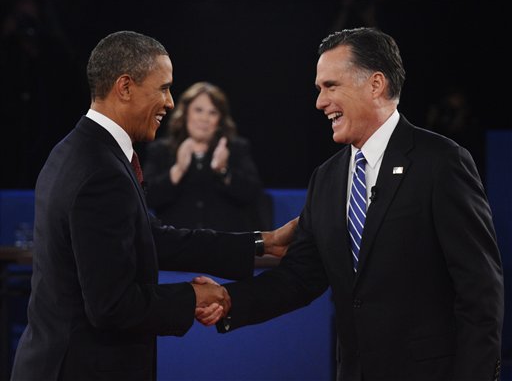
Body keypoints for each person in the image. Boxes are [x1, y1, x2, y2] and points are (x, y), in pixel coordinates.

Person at [208, 27, 505, 381]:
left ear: (375, 84)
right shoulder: (327, 178)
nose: (320, 102)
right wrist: (230, 300)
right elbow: (301, 277)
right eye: (319, 89)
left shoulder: (440, 163)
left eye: (330, 86)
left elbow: (480, 291)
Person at [10, 30, 297, 381]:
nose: (171, 103)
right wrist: (192, 297)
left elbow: (150, 237)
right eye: (163, 88)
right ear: (125, 87)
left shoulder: (77, 150)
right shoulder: (100, 171)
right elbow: (111, 306)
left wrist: (260, 243)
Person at [143, 81, 266, 232]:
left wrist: (223, 170)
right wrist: (178, 170)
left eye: (212, 112)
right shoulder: (161, 150)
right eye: (198, 110)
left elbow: (253, 195)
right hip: (177, 247)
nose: (204, 118)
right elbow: (147, 198)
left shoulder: (235, 149)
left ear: (220, 120)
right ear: (185, 113)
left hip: (224, 244)